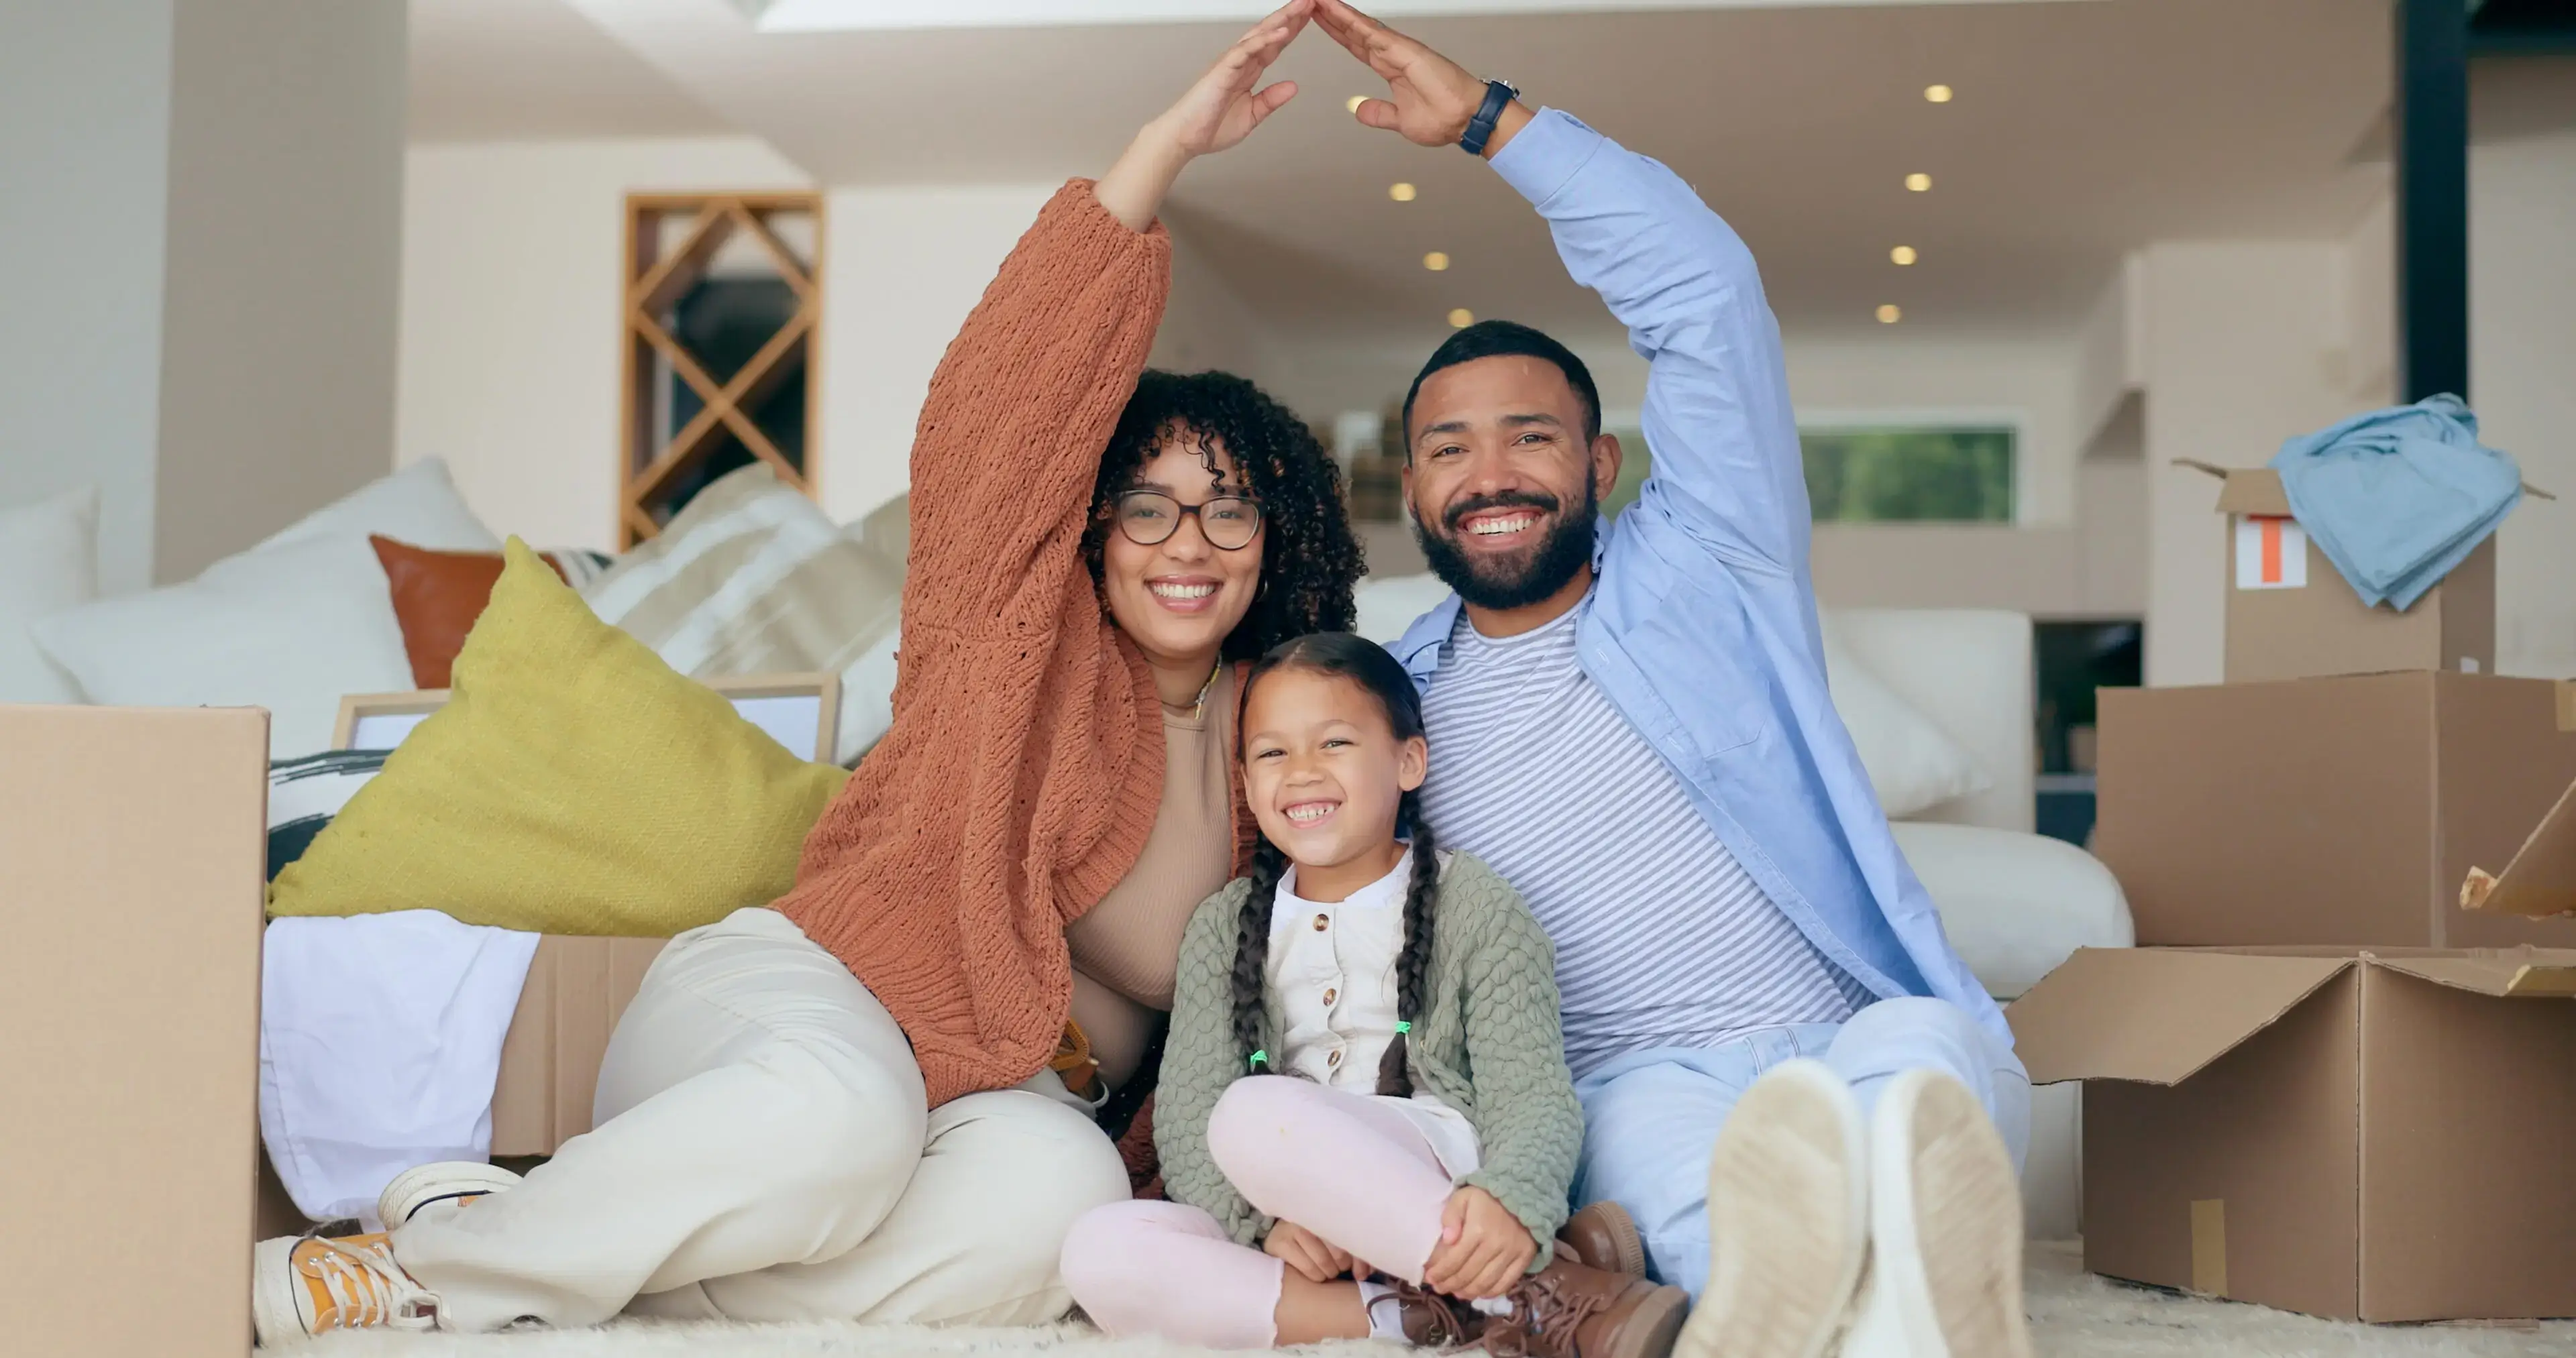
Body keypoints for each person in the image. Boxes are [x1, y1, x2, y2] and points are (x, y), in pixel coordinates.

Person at [249, 5, 1365, 1341]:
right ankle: (413, 1279)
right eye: (1147, 504)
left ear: (1274, 536)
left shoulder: (1290, 734)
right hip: (805, 1007)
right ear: (1091, 527)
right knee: (845, 1118)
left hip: (1016, 1102)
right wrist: (1157, 155)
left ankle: (513, 1238)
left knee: (1062, 1215)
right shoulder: (1018, 642)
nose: (1188, 541)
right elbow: (988, 424)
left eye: (1229, 507)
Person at [1305, 4, 2035, 1357]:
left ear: (1604, 468)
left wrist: (1491, 122)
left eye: (1534, 435)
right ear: (1411, 488)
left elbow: (1704, 295)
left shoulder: (1714, 562)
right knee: (1731, 1229)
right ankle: (1911, 1305)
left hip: (1851, 1023)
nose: (1492, 471)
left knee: (1931, 1059)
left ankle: (1901, 1267)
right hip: (1638, 1082)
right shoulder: (1387, 708)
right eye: (1450, 448)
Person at [1061, 633, 1685, 1357]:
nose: (1301, 774)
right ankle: (1443, 1314)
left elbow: (1533, 1093)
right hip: (1286, 1197)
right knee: (1101, 1250)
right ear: (1246, 781)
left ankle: (1539, 1292)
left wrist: (1514, 1199)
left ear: (1408, 761)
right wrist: (1264, 1227)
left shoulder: (1475, 906)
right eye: (1272, 753)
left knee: (1254, 1113)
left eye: (1334, 743)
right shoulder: (1226, 926)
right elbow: (1189, 1113)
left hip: (1432, 1177)